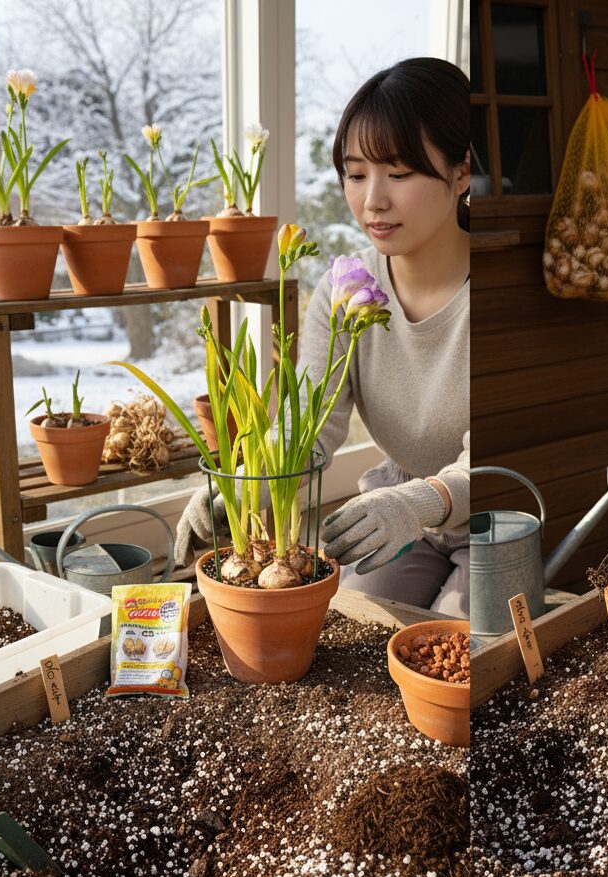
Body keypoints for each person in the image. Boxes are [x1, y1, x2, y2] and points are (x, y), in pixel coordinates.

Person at [176, 57, 470, 616]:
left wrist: (420, 502)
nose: (372, 200)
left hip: (485, 513)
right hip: (394, 507)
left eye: (398, 174)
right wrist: (243, 484)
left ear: (461, 173)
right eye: (356, 175)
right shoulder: (347, 286)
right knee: (350, 620)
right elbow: (308, 425)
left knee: (459, 640)